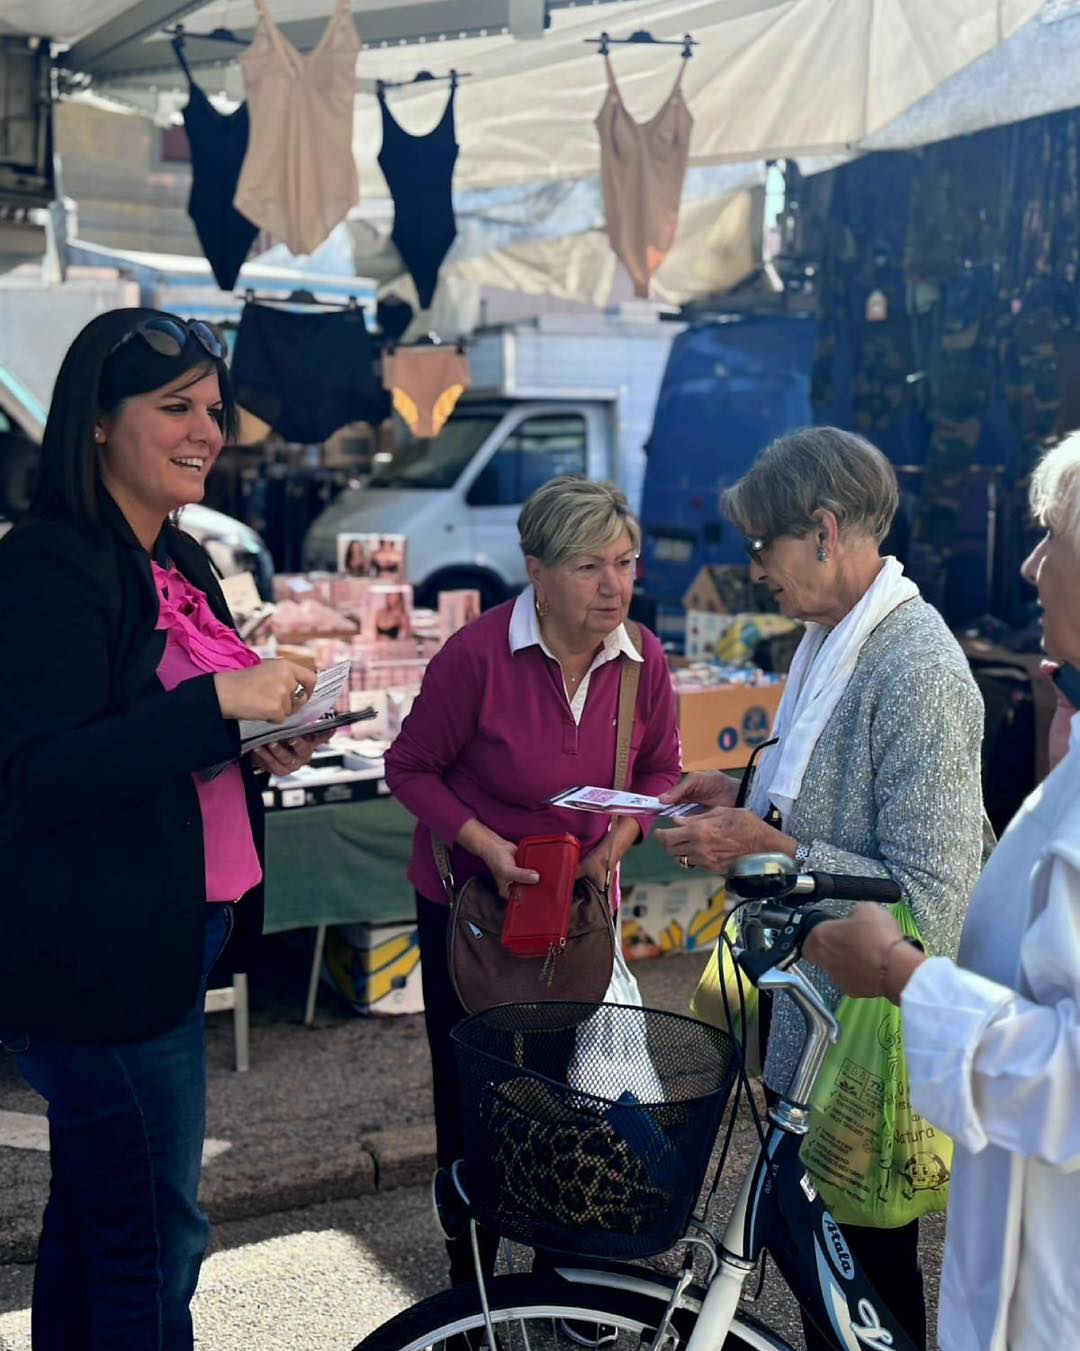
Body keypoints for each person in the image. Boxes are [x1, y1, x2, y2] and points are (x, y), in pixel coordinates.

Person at [0, 309, 325, 1350]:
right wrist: (220, 710)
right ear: (96, 421)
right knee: (152, 1239)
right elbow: (39, 773)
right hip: (103, 956)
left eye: (215, 410)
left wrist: (260, 738)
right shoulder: (51, 566)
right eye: (174, 405)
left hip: (173, 932)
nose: (206, 430)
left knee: (99, 1226)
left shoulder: (176, 553)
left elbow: (164, 732)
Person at [658, 427, 989, 1351]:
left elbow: (935, 894)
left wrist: (773, 841)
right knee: (822, 1270)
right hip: (818, 1023)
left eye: (764, 544)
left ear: (826, 531)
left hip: (865, 1045)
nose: (754, 566)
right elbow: (826, 799)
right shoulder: (831, 638)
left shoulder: (917, 668)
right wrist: (743, 795)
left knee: (864, 1288)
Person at [803, 433, 1080, 1351]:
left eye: (1054, 540)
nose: (1033, 565)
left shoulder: (915, 663)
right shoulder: (826, 645)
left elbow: (1070, 1075)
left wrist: (900, 972)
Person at [385, 476, 681, 1286]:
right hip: (471, 907)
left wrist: (618, 841)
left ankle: (563, 1271)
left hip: (578, 909)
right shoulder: (477, 655)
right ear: (536, 571)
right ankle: (472, 1286)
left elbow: (660, 767)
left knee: (572, 1095)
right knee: (477, 1093)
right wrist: (484, 841)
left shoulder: (641, 658)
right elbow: (408, 766)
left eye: (625, 562)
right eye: (590, 566)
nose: (614, 585)